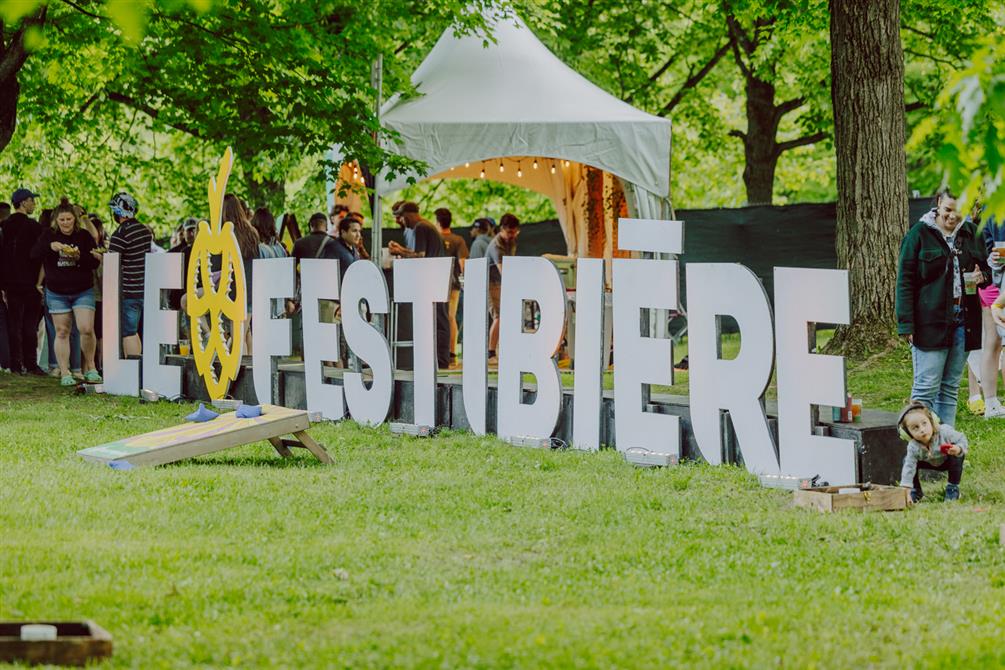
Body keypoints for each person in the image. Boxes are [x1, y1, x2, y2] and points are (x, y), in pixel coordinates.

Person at [896, 191, 989, 428]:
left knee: (949, 387)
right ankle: (916, 443)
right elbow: (904, 281)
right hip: (929, 321)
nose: (952, 216)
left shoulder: (972, 233)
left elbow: (986, 271)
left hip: (964, 321)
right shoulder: (918, 234)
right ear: (938, 203)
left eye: (958, 211)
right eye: (948, 209)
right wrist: (906, 324)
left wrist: (982, 277)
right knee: (926, 387)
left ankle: (945, 444)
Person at [31, 199, 102, 386]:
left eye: (69, 219)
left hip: (82, 290)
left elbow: (94, 262)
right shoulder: (48, 235)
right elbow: (34, 254)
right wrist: (50, 246)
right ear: (56, 220)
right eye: (62, 220)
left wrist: (79, 256)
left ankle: (91, 367)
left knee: (86, 328)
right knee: (62, 331)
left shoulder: (83, 236)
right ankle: (64, 372)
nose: (65, 223)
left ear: (75, 219)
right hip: (57, 292)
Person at [388, 201, 451, 369]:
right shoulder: (423, 227)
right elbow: (418, 253)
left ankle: (442, 360)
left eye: (402, 217)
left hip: (433, 279)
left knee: (439, 319)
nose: (401, 221)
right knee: (437, 318)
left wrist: (399, 251)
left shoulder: (421, 227)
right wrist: (401, 249)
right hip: (433, 279)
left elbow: (420, 256)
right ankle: (438, 359)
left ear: (408, 215)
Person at [1, 188, 46, 375]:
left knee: (14, 323)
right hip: (31, 283)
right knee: (30, 324)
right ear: (23, 202)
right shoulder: (34, 227)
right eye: (31, 200)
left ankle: (15, 364)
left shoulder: (5, 226)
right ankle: (31, 363)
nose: (34, 204)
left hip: (10, 284)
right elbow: (41, 253)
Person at [107, 192, 152, 357]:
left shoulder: (120, 234)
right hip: (145, 288)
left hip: (129, 291)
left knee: (129, 332)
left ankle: (132, 367)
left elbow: (113, 263)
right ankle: (141, 366)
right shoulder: (145, 231)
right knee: (139, 331)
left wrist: (101, 257)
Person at [897, 400, 967, 503]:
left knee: (957, 456)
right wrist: (906, 492)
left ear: (932, 421)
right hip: (928, 462)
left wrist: (958, 448)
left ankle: (952, 487)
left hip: (947, 460)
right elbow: (909, 468)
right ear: (907, 434)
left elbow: (962, 438)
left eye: (924, 423)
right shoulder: (913, 446)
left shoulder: (944, 432)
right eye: (915, 428)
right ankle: (916, 491)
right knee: (906, 461)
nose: (922, 429)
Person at [435, 207, 468, 367]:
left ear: (437, 221)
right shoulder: (458, 240)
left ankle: (438, 352)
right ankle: (452, 352)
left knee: (437, 317)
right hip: (453, 283)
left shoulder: (435, 238)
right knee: (451, 317)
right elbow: (463, 263)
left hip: (435, 282)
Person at [486, 213, 520, 365]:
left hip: (501, 283)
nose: (512, 235)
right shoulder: (496, 245)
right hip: (490, 283)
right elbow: (504, 270)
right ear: (502, 229)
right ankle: (490, 353)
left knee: (506, 317)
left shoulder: (512, 241)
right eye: (509, 232)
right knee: (498, 317)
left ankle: (502, 350)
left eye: (515, 232)